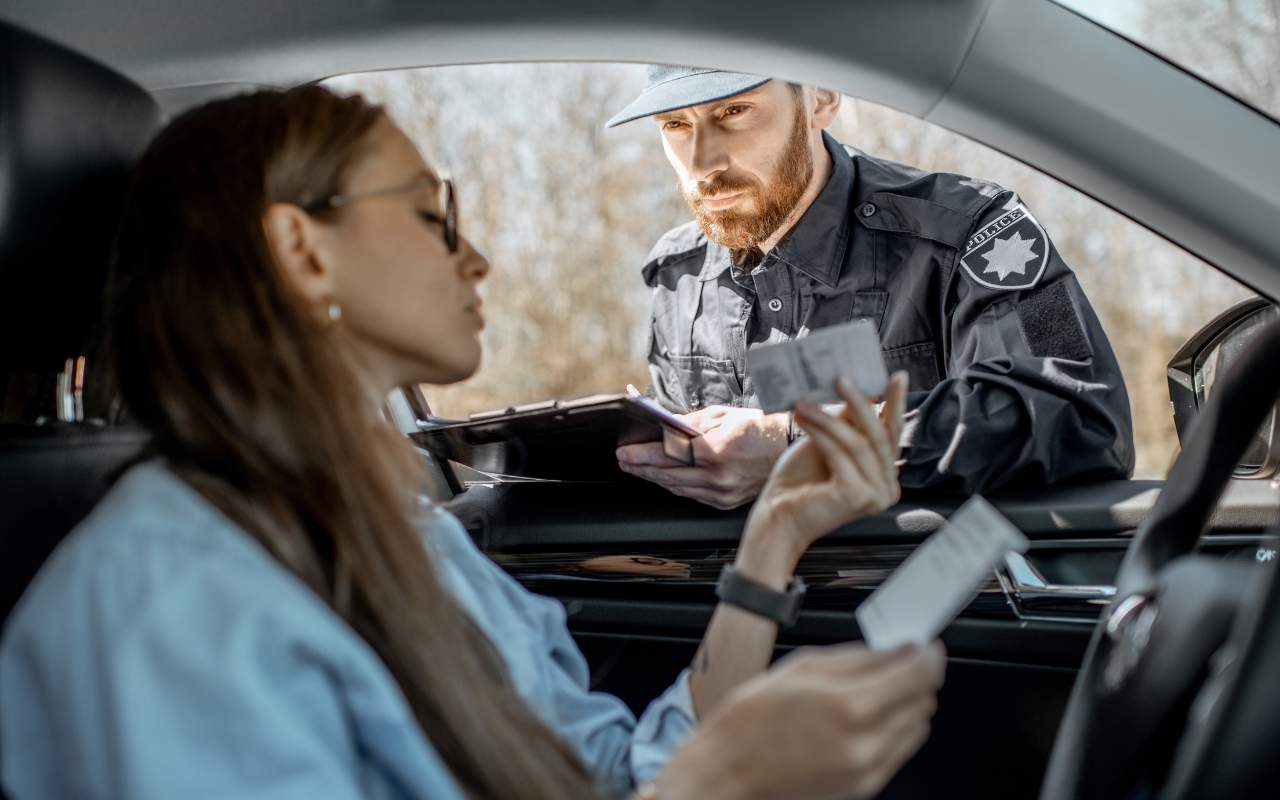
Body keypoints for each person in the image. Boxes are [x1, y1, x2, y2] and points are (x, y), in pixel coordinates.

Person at [0, 86, 944, 800]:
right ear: (303, 249)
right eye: (429, 213)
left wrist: (774, 536)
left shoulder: (412, 538)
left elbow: (610, 770)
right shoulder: (164, 603)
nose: (477, 257)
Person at [611, 67, 1135, 509]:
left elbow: (1080, 416)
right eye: (676, 124)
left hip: (921, 610)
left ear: (822, 97)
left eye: (734, 111)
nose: (703, 165)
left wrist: (800, 444)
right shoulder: (677, 276)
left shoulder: (974, 233)